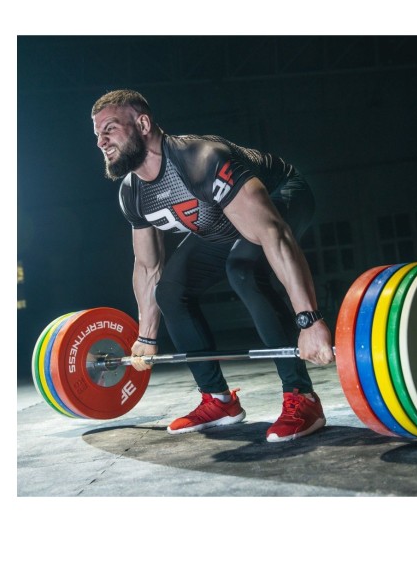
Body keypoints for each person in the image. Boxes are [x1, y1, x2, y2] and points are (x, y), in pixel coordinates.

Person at [91, 89, 335, 442]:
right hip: (222, 221)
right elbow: (147, 267)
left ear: (142, 124)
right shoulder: (132, 192)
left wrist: (308, 320)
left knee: (243, 269)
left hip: (283, 195)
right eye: (97, 134)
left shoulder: (200, 159)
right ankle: (219, 401)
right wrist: (146, 336)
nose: (101, 142)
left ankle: (302, 397)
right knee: (170, 291)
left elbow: (274, 234)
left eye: (110, 129)